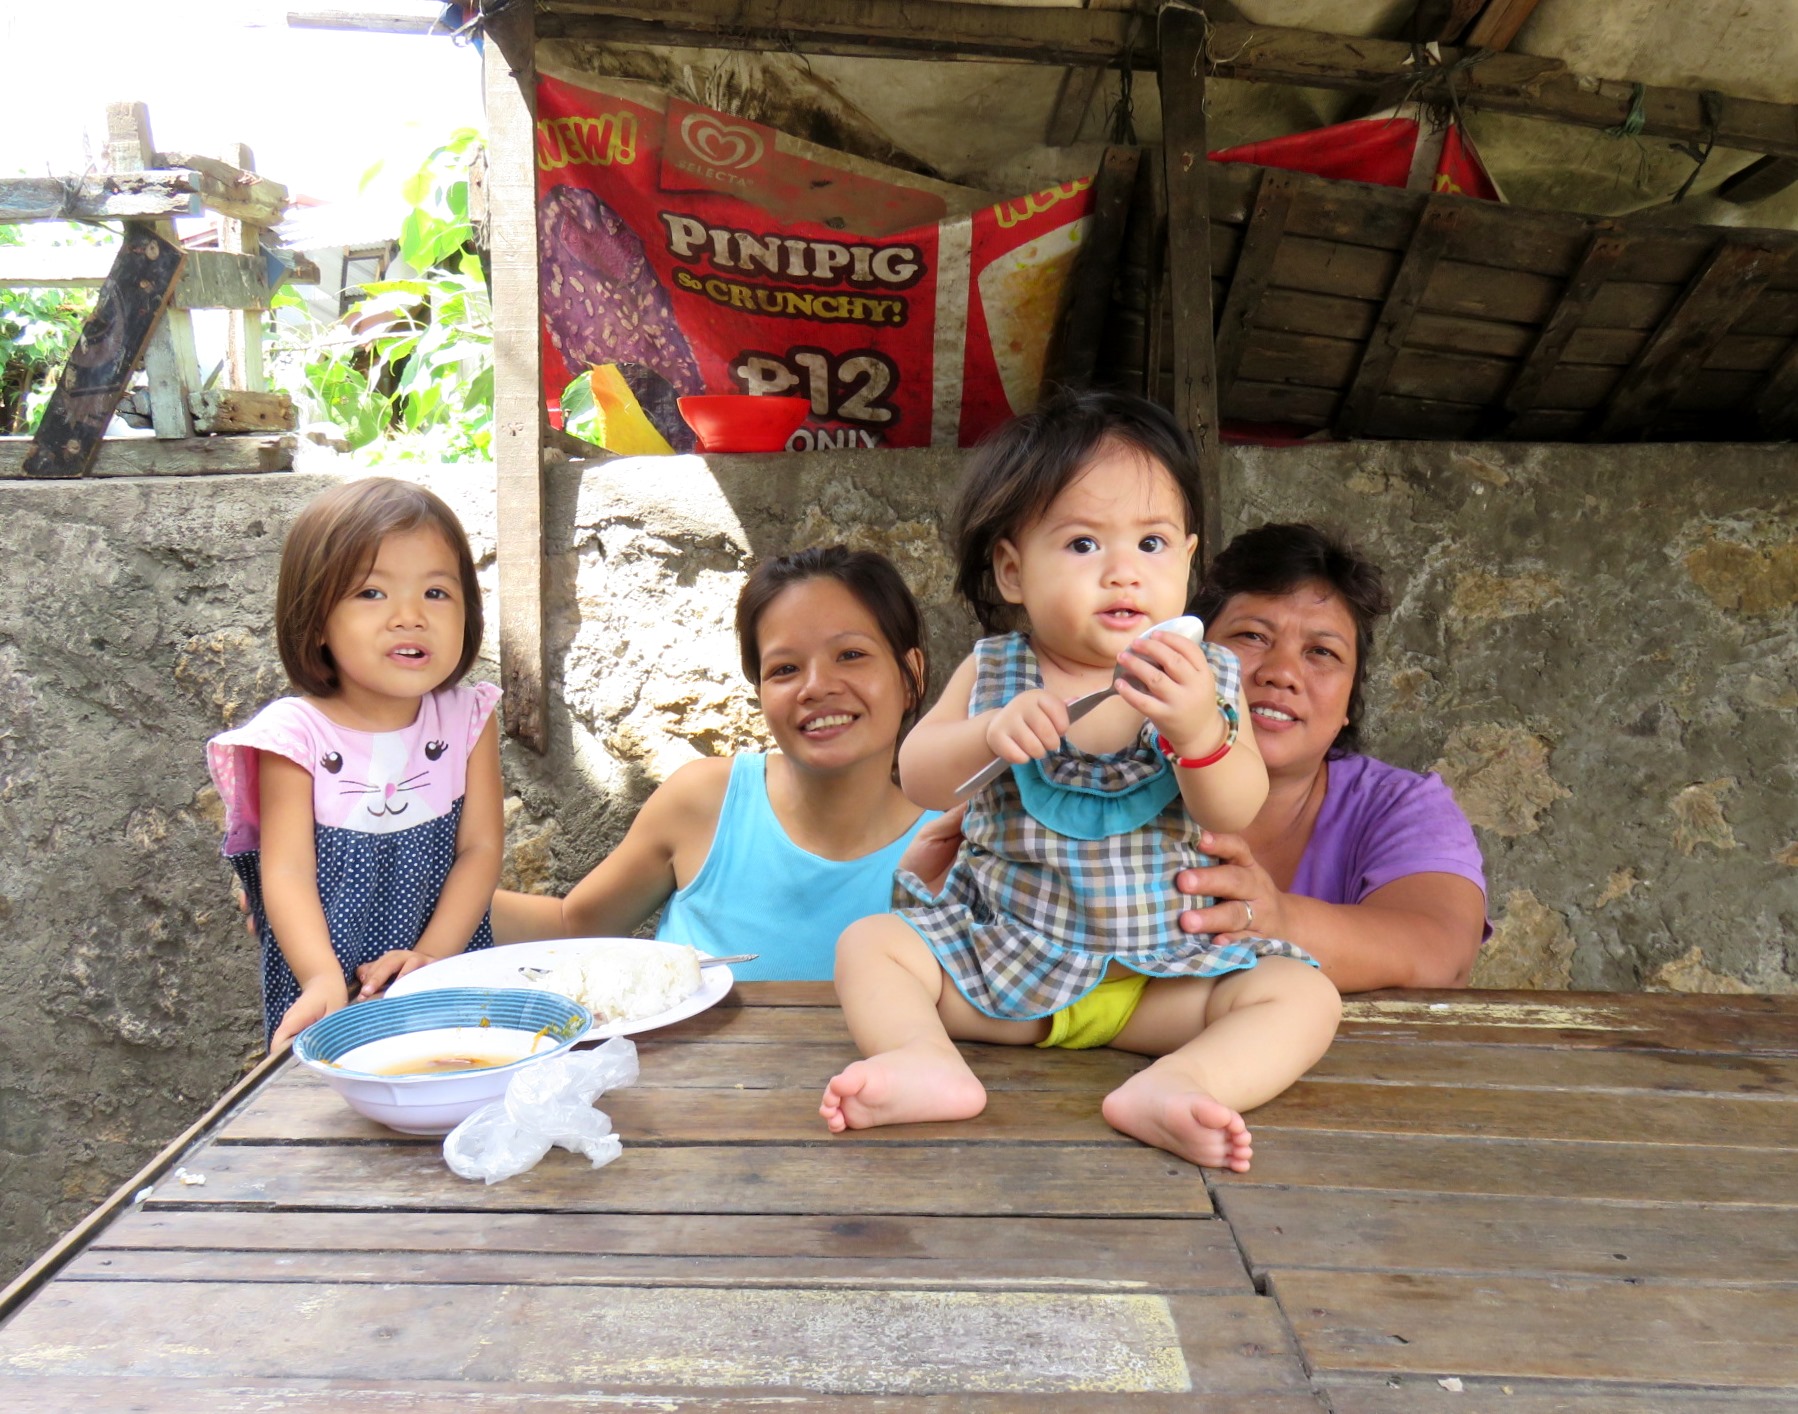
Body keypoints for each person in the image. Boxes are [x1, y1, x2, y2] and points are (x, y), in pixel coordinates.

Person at [820, 389, 1341, 1170]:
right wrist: (984, 736)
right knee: (872, 944)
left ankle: (1181, 1083)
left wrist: (1200, 729)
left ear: (1190, 562)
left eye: (1153, 544)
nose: (1124, 572)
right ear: (1011, 571)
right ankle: (923, 1059)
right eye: (1083, 545)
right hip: (1002, 967)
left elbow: (1236, 803)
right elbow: (919, 777)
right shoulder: (995, 669)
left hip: (1157, 978)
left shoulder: (1207, 677)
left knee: (1304, 998)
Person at [489, 546, 948, 979]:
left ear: (912, 675)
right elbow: (574, 926)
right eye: (784, 669)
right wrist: (434, 897)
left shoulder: (958, 846)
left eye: (851, 655)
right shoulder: (703, 801)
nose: (816, 686)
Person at [207, 478, 503, 1048]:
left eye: (437, 594)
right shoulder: (293, 736)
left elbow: (480, 849)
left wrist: (433, 958)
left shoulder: (469, 717)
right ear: (315, 618)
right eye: (372, 593)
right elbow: (287, 873)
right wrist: (319, 976)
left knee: (455, 1076)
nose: (409, 617)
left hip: (443, 966)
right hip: (327, 977)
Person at [1173, 522, 1489, 992]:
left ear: (1348, 705)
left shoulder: (1399, 806)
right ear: (1187, 654)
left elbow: (1441, 954)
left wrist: (1278, 921)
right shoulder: (1111, 775)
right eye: (1252, 637)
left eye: (1321, 652)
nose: (1282, 673)